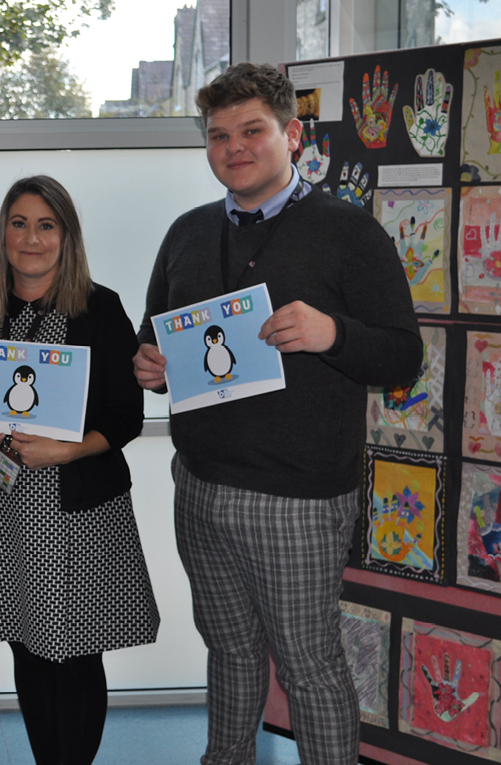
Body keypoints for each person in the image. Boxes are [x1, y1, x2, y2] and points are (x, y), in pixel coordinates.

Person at [132, 63, 422, 765]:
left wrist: (333, 334)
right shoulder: (187, 232)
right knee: (228, 648)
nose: (234, 146)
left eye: (252, 130)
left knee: (308, 664)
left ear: (292, 135)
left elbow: (403, 358)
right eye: (219, 134)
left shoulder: (351, 233)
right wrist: (149, 367)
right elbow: (153, 337)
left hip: (298, 496)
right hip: (199, 485)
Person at [0, 175, 160, 765]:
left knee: (78, 653)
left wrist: (66, 451)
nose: (31, 238)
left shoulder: (99, 307)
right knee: (29, 651)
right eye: (19, 224)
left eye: (45, 225)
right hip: (4, 505)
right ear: (3, 234)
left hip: (81, 510)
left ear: (66, 235)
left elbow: (127, 416)